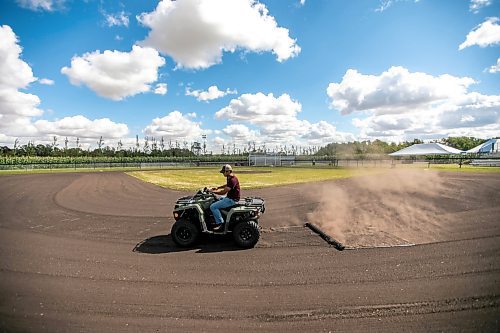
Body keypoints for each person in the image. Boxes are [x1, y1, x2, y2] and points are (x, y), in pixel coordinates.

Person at [209, 164, 240, 231]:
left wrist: (213, 192)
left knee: (213, 207)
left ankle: (221, 223)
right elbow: (227, 185)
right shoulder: (230, 177)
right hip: (230, 197)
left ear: (228, 171)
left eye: (224, 172)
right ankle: (220, 216)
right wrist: (218, 187)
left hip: (232, 200)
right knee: (217, 200)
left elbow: (223, 192)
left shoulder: (232, 180)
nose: (223, 173)